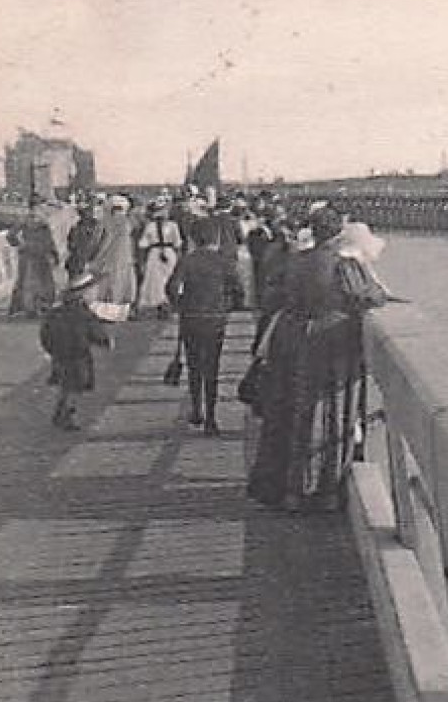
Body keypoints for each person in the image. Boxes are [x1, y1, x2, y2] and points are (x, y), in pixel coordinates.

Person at [246, 206, 387, 512]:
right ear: (338, 234)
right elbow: (370, 296)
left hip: (292, 338)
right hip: (328, 341)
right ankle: (322, 491)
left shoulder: (296, 261)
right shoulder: (343, 265)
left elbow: (279, 293)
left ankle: (287, 489)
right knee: (328, 412)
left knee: (290, 409)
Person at [167, 218, 242, 434]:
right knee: (212, 368)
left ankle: (196, 409)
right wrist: (227, 306)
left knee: (194, 366)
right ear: (215, 237)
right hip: (215, 319)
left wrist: (180, 305)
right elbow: (238, 289)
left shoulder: (187, 261)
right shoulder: (223, 261)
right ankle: (211, 417)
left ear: (193, 238)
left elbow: (172, 287)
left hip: (191, 318)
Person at [39, 271, 111, 430]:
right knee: (76, 386)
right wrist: (105, 341)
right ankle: (66, 415)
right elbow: (94, 331)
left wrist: (50, 350)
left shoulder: (57, 312)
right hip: (78, 355)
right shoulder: (84, 312)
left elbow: (45, 333)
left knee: (66, 385)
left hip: (60, 355)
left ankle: (60, 413)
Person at [87, 195, 139, 319]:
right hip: (121, 258)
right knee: (118, 283)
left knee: (112, 283)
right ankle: (117, 313)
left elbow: (100, 241)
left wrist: (97, 255)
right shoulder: (127, 222)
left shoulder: (107, 223)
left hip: (117, 257)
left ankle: (111, 313)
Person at [7, 201, 60, 317]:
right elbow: (10, 236)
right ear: (32, 208)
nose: (40, 209)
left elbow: (49, 240)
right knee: (29, 281)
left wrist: (54, 254)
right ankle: (30, 307)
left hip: (40, 255)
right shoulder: (26, 222)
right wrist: (21, 244)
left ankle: (39, 306)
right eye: (39, 207)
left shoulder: (42, 223)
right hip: (30, 255)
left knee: (41, 281)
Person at [135, 201, 183, 318]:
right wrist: (142, 262)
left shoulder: (173, 226)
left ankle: (169, 304)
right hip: (155, 253)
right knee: (155, 281)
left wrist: (179, 259)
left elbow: (177, 243)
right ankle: (159, 303)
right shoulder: (150, 226)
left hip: (168, 253)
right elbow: (143, 244)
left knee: (168, 278)